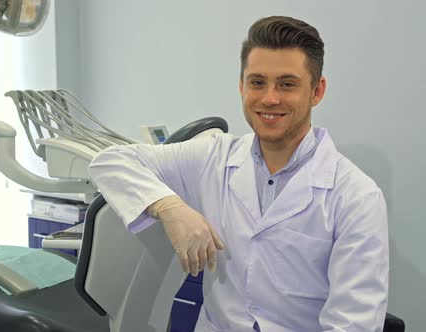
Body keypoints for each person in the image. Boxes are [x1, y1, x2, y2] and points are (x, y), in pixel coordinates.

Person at [88, 16, 388, 332]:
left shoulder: (356, 197)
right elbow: (109, 162)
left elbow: (353, 324)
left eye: (287, 84)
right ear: (241, 85)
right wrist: (170, 207)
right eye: (257, 82)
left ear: (317, 90)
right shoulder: (214, 157)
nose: (269, 98)